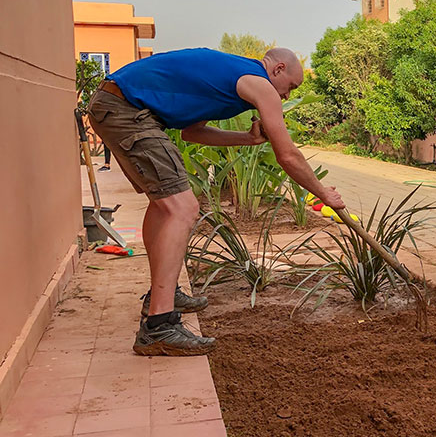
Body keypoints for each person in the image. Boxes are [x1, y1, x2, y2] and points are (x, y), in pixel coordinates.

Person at [88, 47, 345, 356]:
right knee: (182, 208)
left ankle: (162, 296)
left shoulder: (228, 80)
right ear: (277, 70)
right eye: (291, 87)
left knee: (164, 205)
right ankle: (159, 324)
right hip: (127, 109)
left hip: (119, 105)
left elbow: (191, 133)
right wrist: (323, 194)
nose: (287, 96)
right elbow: (287, 155)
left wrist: (248, 139)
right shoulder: (260, 83)